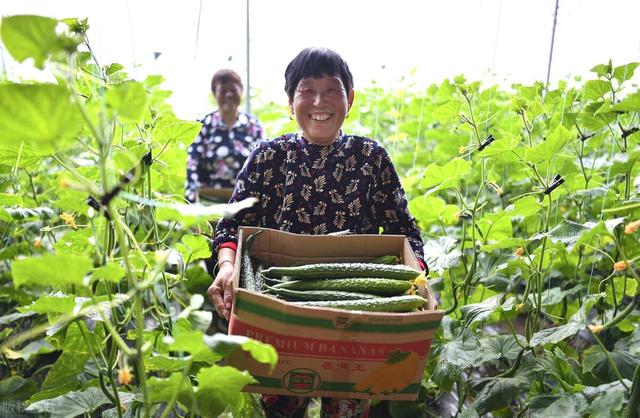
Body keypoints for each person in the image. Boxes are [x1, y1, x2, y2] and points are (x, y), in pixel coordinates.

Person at [208, 47, 427, 418]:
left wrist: (417, 273)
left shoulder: (371, 158)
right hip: (281, 316)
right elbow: (231, 223)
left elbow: (403, 231)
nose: (319, 101)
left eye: (332, 90)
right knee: (282, 405)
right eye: (306, 90)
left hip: (357, 315)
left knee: (347, 409)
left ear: (350, 99)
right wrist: (228, 265)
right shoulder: (267, 157)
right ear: (290, 103)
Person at [185, 68, 264, 203]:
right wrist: (193, 203)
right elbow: (193, 165)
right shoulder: (203, 126)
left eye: (233, 90)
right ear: (215, 94)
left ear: (241, 92)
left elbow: (263, 165)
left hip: (244, 202)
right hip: (209, 201)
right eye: (223, 90)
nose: (228, 95)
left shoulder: (254, 127)